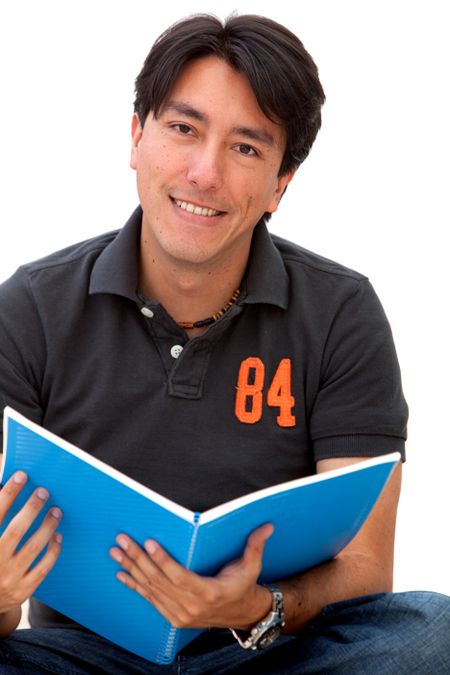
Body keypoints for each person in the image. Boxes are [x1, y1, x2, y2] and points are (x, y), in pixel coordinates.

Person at [0, 13, 448, 675]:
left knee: (431, 631)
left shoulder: (342, 312)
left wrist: (252, 606)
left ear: (280, 184)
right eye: (183, 129)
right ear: (135, 138)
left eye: (246, 147)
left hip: (266, 654)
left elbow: (364, 567)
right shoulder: (31, 307)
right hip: (84, 658)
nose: (204, 172)